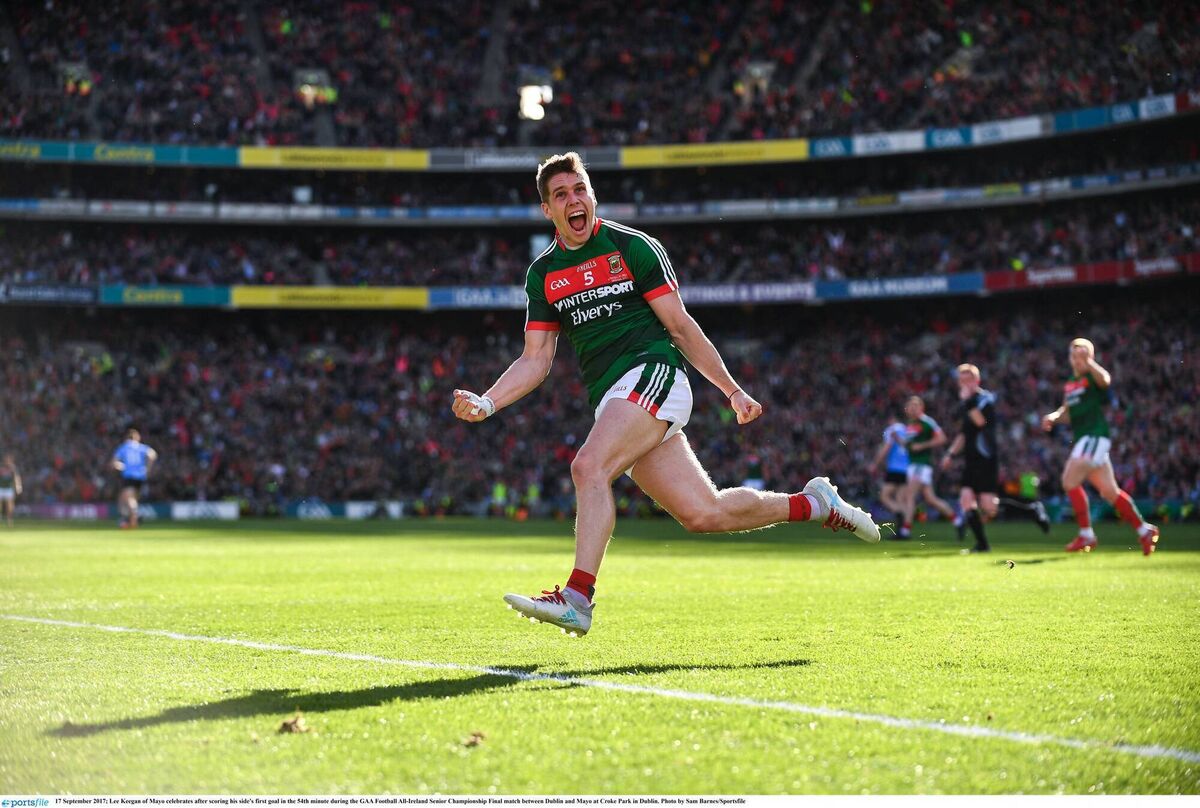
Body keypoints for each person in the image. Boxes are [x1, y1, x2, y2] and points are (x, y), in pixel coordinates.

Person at [450, 152, 879, 637]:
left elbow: (679, 325)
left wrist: (732, 390)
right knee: (704, 513)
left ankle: (577, 597)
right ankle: (816, 504)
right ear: (548, 210)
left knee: (588, 467)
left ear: (591, 195)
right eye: (561, 194)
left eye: (580, 189)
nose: (575, 200)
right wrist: (487, 401)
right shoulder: (543, 274)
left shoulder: (633, 248)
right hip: (617, 396)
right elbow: (536, 359)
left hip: (653, 374)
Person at [1042, 338, 1159, 555]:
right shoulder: (1070, 383)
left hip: (1093, 437)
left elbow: (1106, 380)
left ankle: (1086, 534)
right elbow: (1067, 412)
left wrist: (1090, 363)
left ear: (1090, 357)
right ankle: (1144, 531)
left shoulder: (1092, 376)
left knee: (1069, 481)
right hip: (1086, 440)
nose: (1078, 360)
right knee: (1109, 492)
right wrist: (1053, 417)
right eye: (1075, 356)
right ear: (1070, 358)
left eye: (1083, 356)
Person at [940, 364, 1049, 553]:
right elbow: (964, 433)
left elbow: (981, 422)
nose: (964, 384)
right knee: (966, 500)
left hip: (986, 457)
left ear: (976, 381)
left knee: (989, 507)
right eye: (961, 380)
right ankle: (982, 544)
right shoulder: (967, 402)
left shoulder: (984, 399)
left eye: (968, 380)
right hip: (971, 459)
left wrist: (967, 402)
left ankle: (1032, 509)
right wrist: (950, 453)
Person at [899, 395, 957, 536]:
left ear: (921, 407)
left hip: (922, 464)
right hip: (913, 464)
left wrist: (923, 445)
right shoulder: (911, 424)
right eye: (910, 406)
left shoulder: (927, 422)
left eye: (915, 405)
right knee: (931, 499)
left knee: (909, 495)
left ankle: (905, 531)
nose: (912, 408)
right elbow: (911, 446)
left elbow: (942, 438)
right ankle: (958, 520)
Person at [109, 428, 157, 529]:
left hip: (129, 476)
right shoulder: (141, 447)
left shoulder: (124, 447)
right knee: (123, 498)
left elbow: (113, 463)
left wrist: (124, 467)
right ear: (137, 438)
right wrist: (147, 469)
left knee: (129, 499)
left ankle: (134, 517)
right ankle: (126, 519)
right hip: (140, 476)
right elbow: (152, 455)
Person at [867, 419, 909, 533]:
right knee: (900, 499)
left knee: (884, 496)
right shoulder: (907, 429)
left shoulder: (891, 430)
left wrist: (875, 464)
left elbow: (886, 448)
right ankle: (903, 531)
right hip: (908, 469)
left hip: (895, 469)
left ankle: (899, 513)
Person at [0, 454, 22, 527]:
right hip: (1, 488)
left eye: (9, 459)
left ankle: (9, 520)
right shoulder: (1, 467)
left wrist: (18, 487)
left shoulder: (13, 468)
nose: (7, 461)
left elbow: (16, 477)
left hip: (9, 489)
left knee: (9, 506)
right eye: (6, 459)